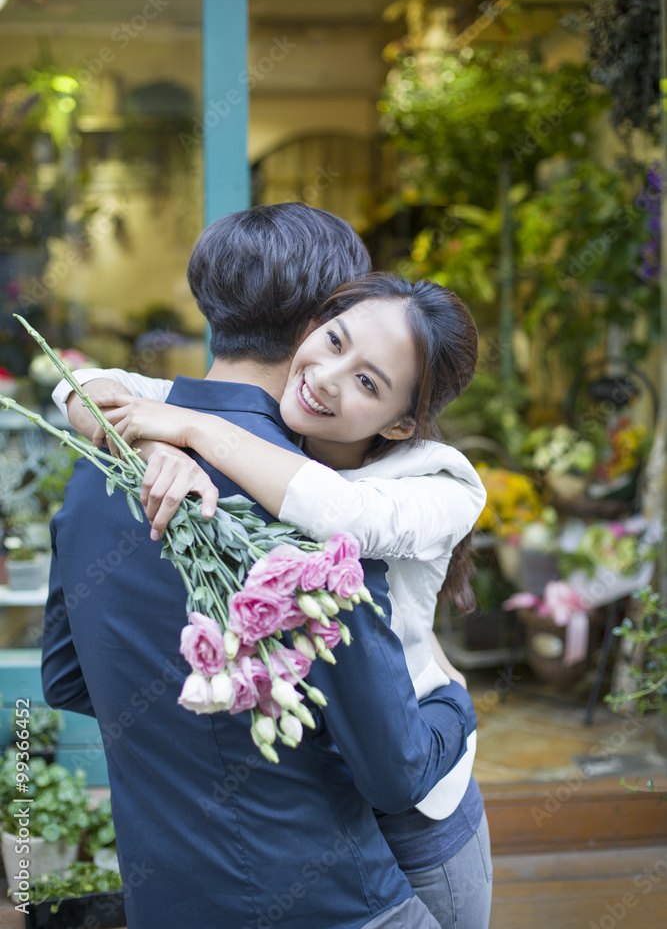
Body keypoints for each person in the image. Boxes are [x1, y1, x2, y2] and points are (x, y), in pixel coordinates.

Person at [42, 202, 477, 929]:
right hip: (334, 903)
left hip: (171, 903)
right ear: (319, 320)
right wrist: (456, 703)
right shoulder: (313, 515)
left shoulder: (100, 470)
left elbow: (65, 677)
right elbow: (394, 771)